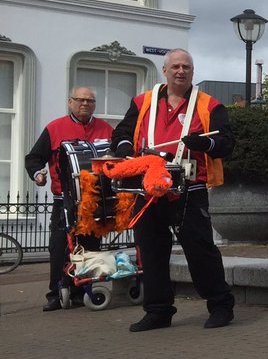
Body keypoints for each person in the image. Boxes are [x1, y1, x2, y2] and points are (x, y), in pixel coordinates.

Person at [111, 49, 236, 331]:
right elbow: (120, 134)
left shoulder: (210, 105)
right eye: (176, 67)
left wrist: (204, 144)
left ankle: (220, 305)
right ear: (165, 70)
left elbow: (227, 143)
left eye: (187, 67)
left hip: (189, 187)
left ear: (193, 72)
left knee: (200, 249)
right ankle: (158, 311)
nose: (181, 71)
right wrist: (124, 149)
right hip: (148, 187)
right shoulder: (142, 102)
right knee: (151, 251)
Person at [24, 86, 113, 311]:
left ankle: (83, 291)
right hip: (63, 200)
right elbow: (34, 158)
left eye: (90, 101)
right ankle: (55, 293)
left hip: (94, 200)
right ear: (70, 102)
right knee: (60, 247)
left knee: (90, 246)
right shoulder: (55, 128)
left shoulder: (105, 129)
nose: (85, 104)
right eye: (80, 100)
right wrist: (37, 174)